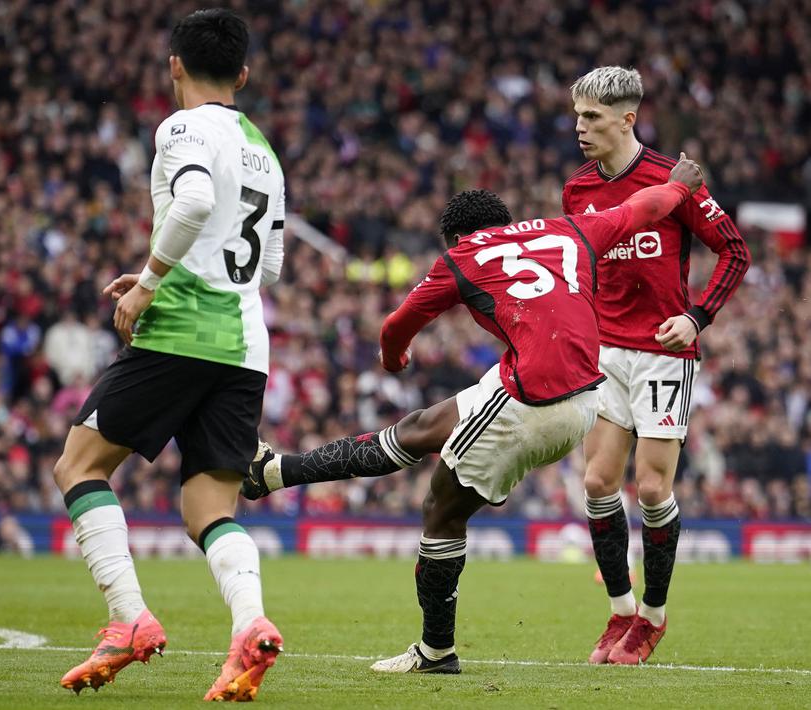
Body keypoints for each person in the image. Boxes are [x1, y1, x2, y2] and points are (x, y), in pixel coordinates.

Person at [283, 158, 702, 675]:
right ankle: (277, 471)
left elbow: (395, 326)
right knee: (419, 430)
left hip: (535, 399)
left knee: (440, 507)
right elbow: (644, 207)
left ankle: (436, 652)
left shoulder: (462, 255)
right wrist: (680, 185)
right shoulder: (568, 228)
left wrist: (394, 359)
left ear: (457, 236)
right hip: (580, 391)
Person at [53, 9, 286, 701]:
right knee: (209, 510)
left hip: (181, 330)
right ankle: (249, 625)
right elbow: (266, 265)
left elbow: (190, 202)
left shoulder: (182, 127)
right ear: (243, 74)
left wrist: (152, 281)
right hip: (245, 345)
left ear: (173, 65)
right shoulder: (263, 150)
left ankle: (127, 619)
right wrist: (173, 267)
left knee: (79, 464)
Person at [565, 66, 749, 665]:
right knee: (596, 483)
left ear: (627, 118)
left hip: (664, 352)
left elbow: (736, 252)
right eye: (577, 116)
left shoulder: (673, 180)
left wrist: (696, 318)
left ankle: (653, 617)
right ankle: (620, 613)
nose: (580, 128)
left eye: (591, 118)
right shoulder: (578, 189)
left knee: (650, 487)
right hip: (605, 350)